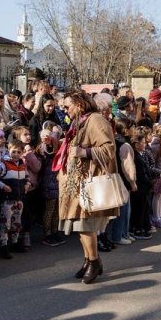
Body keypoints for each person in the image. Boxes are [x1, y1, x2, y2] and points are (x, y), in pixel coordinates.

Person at [58, 91, 119, 284]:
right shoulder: (80, 121)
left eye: (68, 106)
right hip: (77, 182)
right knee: (79, 225)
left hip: (89, 182)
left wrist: (83, 152)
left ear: (79, 104)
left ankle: (94, 261)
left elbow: (109, 148)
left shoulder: (96, 120)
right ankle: (89, 260)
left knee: (85, 225)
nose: (65, 110)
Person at [0, 135, 30, 252]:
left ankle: (15, 242)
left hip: (19, 199)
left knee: (17, 223)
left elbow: (27, 177)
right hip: (7, 200)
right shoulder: (5, 165)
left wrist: (27, 184)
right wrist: (3, 186)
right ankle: (4, 245)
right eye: (13, 151)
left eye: (19, 152)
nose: (16, 154)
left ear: (22, 153)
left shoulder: (23, 165)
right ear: (9, 150)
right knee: (5, 223)